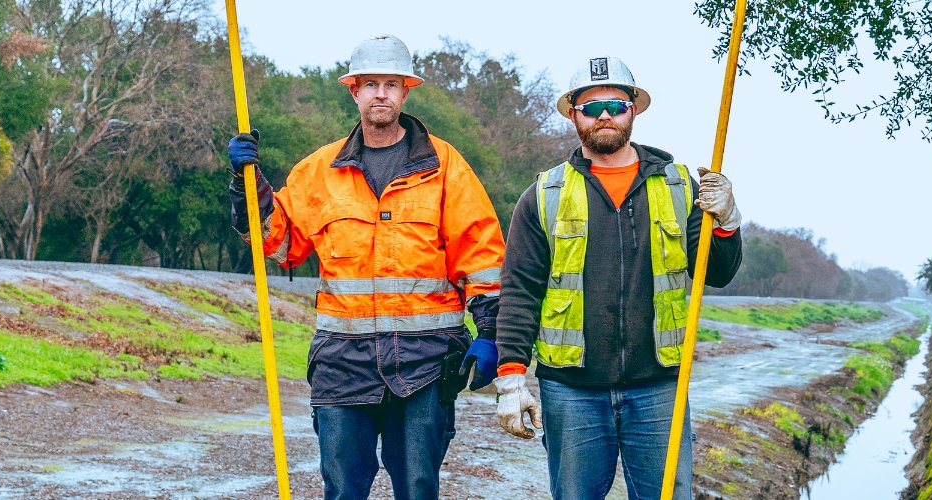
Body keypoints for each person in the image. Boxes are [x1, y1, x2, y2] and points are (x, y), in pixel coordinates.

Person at [226, 34, 504, 499]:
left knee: (418, 487)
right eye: (370, 83)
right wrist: (245, 185)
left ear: (406, 91)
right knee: (342, 489)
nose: (381, 93)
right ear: (353, 90)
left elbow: (480, 253)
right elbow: (279, 243)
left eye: (391, 84)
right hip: (342, 364)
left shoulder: (446, 167)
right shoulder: (319, 171)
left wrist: (491, 334)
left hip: (427, 363)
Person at [493, 56, 743, 499]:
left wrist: (726, 221)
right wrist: (511, 377)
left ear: (634, 110)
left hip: (661, 386)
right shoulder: (543, 195)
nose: (604, 115)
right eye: (591, 108)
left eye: (615, 104)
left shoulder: (680, 186)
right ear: (574, 115)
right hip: (571, 390)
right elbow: (519, 293)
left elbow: (718, 273)